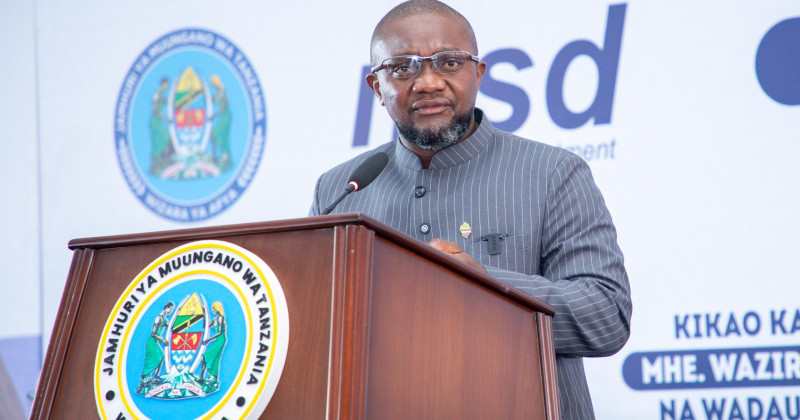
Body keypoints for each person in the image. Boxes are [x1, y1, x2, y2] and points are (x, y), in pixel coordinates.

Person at [309, 1, 631, 418]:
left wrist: (485, 288)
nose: (428, 82)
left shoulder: (553, 173)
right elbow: (315, 331)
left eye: (449, 62)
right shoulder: (338, 190)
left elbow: (606, 316)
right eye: (403, 68)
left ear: (477, 74)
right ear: (376, 87)